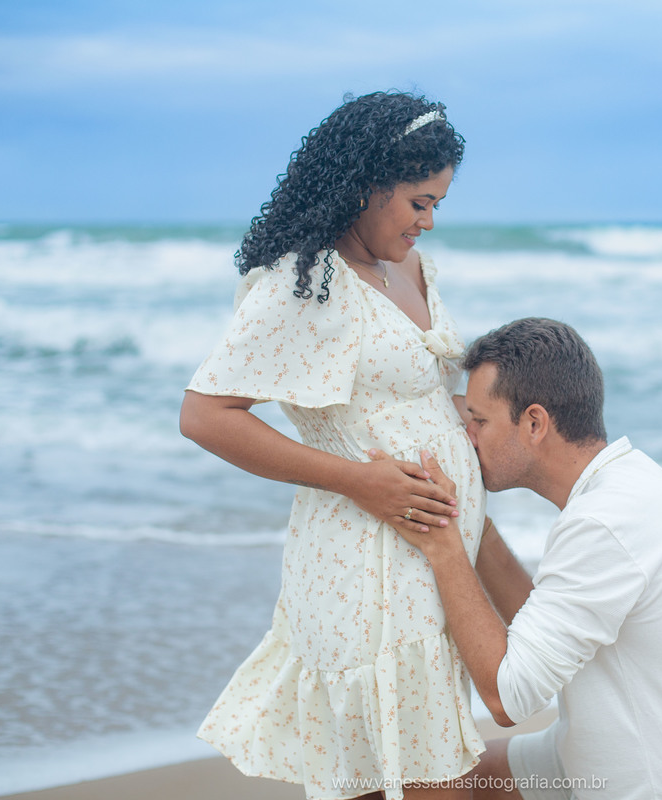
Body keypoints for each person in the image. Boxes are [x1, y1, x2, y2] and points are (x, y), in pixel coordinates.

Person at [180, 91, 486, 800]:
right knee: (419, 781)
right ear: (367, 185)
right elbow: (205, 414)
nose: (428, 222)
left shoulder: (412, 269)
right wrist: (358, 479)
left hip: (430, 562)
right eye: (417, 201)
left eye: (437, 203)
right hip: (365, 572)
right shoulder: (305, 282)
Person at [389, 318, 662, 800]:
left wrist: (443, 545)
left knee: (426, 782)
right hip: (609, 754)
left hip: (657, 786)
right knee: (452, 781)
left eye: (479, 421)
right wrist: (471, 523)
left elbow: (507, 697)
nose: (468, 437)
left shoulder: (605, 522)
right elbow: (542, 630)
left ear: (534, 423)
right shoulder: (635, 482)